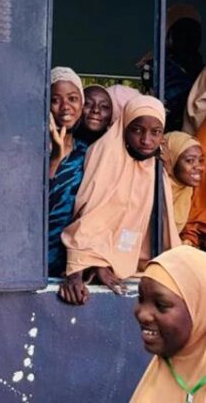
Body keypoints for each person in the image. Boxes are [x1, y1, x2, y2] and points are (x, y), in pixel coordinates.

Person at [58, 95, 179, 305]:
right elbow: (91, 215)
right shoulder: (106, 154)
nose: (146, 140)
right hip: (96, 255)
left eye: (155, 132)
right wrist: (85, 266)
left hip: (134, 263)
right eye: (137, 130)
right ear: (124, 126)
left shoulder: (155, 169)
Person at [131, 246, 206, 402]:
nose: (142, 315)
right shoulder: (159, 376)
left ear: (199, 310)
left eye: (161, 305)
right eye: (141, 299)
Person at [138, 4, 203, 133]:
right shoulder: (155, 66)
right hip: (166, 131)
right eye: (181, 31)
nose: (188, 38)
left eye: (193, 32)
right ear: (168, 35)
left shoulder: (200, 67)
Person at [48, 67, 87, 277]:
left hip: (69, 264)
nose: (65, 107)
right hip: (30, 258)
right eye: (55, 100)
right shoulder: (28, 151)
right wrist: (55, 157)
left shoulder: (87, 153)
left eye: (72, 98)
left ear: (82, 104)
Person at [162, 132, 204, 234]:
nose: (199, 167)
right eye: (190, 161)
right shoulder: (153, 187)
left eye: (200, 160)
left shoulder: (186, 190)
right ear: (172, 160)